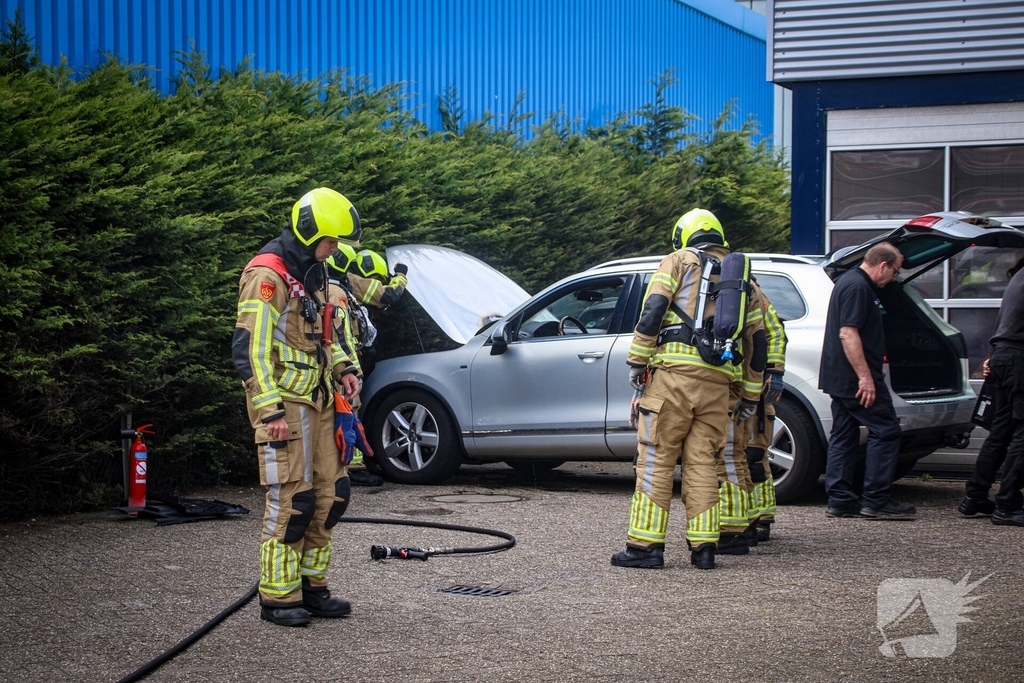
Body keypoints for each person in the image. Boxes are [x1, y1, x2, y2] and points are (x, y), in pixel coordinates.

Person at [232, 187, 362, 627]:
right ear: (309, 233)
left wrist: (344, 367)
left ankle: (313, 589)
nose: (336, 249)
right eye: (330, 241)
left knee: (332, 495)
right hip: (284, 404)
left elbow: (326, 331)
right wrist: (269, 412)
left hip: (322, 397)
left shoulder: (315, 271)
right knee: (293, 500)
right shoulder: (267, 275)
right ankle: (278, 598)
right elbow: (251, 350)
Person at [611, 208, 765, 571]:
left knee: (656, 460)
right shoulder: (746, 282)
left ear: (683, 235)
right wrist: (750, 396)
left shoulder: (679, 261)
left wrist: (638, 359)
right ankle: (705, 548)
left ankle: (645, 547)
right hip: (718, 386)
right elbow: (757, 341)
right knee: (703, 464)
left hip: (673, 379)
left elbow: (654, 308)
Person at [820, 242, 915, 519]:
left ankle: (840, 499)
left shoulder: (850, 282)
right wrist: (866, 377)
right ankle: (877, 499)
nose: (894, 278)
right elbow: (848, 334)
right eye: (895, 272)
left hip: (841, 375)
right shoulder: (859, 288)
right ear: (883, 265)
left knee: (844, 434)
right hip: (854, 380)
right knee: (886, 430)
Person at [716, 278, 787, 552]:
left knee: (752, 456)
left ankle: (756, 521)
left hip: (750, 387)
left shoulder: (750, 293)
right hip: (741, 385)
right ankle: (754, 518)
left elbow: (775, 334)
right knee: (748, 457)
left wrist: (775, 371)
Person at [959, 256, 1024, 526]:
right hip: (1019, 359)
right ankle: (1007, 505)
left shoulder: (1019, 277)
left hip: (1004, 356)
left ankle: (975, 496)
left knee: (1001, 431)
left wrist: (995, 355)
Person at [341, 248, 409, 485]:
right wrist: (401, 275)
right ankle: (353, 467)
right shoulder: (356, 282)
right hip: (346, 357)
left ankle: (353, 464)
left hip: (350, 355)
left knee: (349, 407)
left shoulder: (344, 284)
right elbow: (389, 294)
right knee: (349, 406)